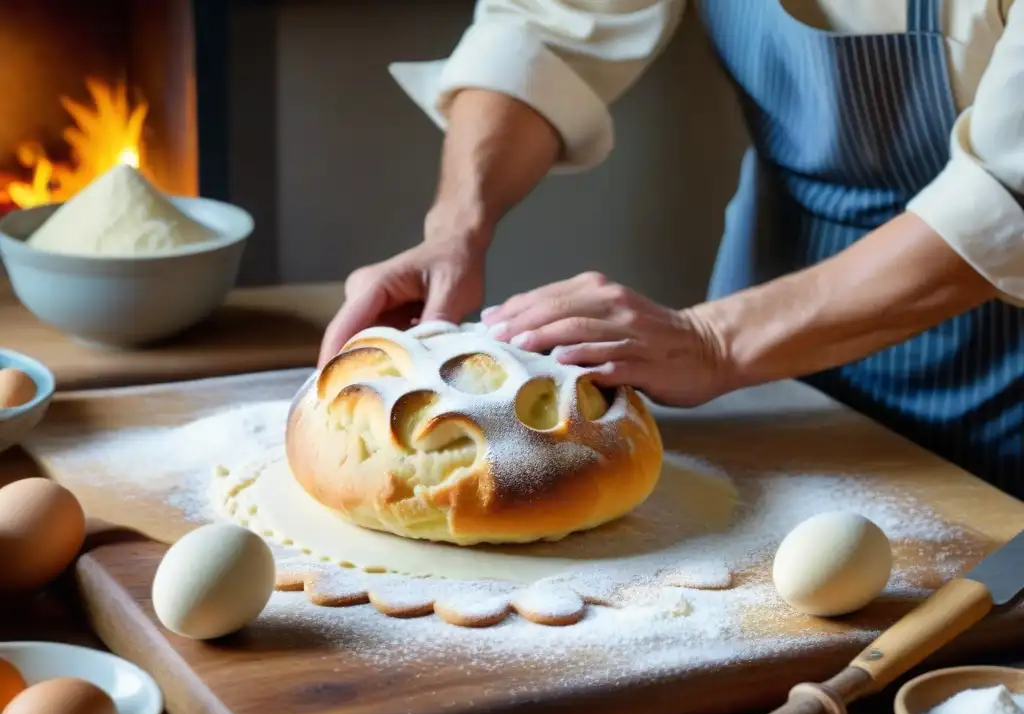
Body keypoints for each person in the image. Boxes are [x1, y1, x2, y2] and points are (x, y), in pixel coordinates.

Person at [319, 0, 1023, 499]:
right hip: (778, 285)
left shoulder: (716, 343)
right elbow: (551, 25)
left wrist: (714, 340)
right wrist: (454, 232)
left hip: (1000, 362)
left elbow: (1007, 195)